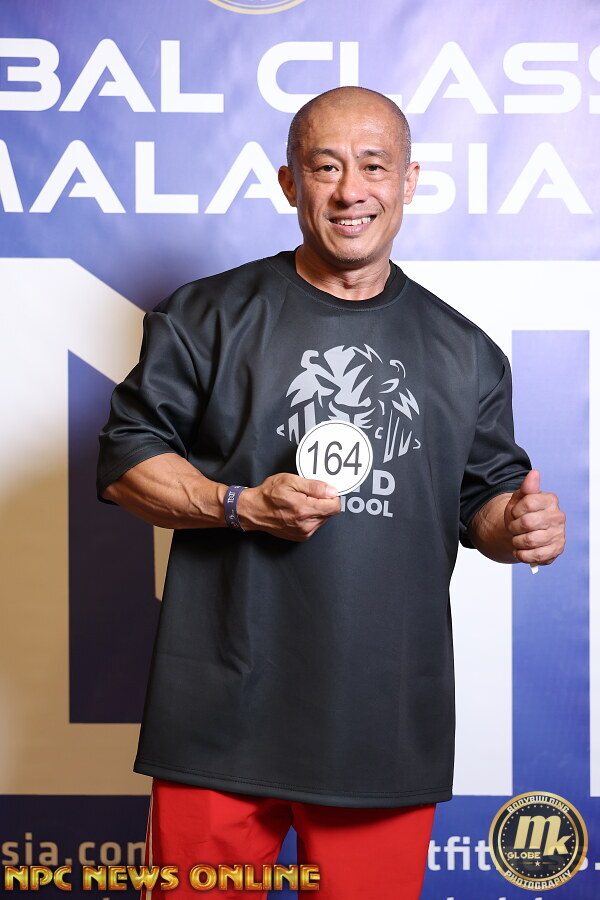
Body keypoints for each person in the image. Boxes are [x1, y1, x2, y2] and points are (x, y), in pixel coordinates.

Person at [96, 87, 566, 899]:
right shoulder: (206, 315)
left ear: (409, 180)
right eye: (326, 167)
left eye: (374, 167)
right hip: (217, 717)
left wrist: (515, 525)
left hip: (380, 725)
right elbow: (125, 459)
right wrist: (238, 504)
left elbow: (483, 502)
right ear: (290, 183)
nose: (352, 191)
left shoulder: (466, 353)